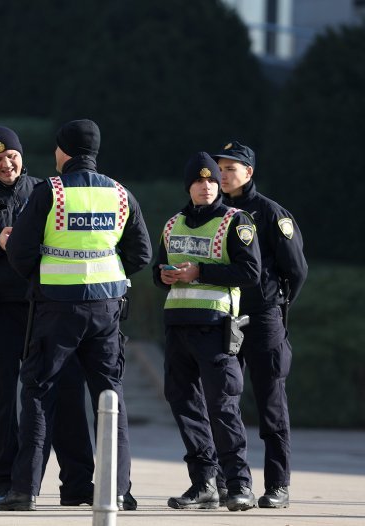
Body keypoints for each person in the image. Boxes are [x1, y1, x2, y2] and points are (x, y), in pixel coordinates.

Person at [0, 119, 152, 511]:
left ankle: (24, 491)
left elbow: (20, 251)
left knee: (38, 393)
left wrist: (43, 276)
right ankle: (117, 490)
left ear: (63, 151)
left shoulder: (50, 192)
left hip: (56, 309)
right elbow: (141, 255)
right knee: (110, 396)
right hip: (107, 310)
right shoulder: (120, 194)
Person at [0, 125, 96, 509]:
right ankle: (7, 481)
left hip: (44, 308)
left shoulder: (46, 192)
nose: (6, 164)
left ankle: (76, 482)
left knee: (62, 393)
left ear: (22, 156)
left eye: (11, 156)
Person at [153, 152, 261, 512]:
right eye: (199, 181)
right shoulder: (172, 224)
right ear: (189, 186)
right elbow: (157, 271)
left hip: (216, 327)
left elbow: (250, 272)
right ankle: (204, 482)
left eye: (212, 180)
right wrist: (165, 276)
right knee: (184, 405)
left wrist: (200, 272)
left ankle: (239, 484)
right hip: (178, 327)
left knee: (222, 405)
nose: (206, 186)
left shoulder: (236, 221)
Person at [213, 140, 308, 508]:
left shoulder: (270, 213)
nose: (223, 175)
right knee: (223, 401)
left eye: (230, 168)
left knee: (271, 404)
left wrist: (277, 305)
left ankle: (277, 485)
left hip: (263, 316)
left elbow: (295, 270)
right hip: (224, 316)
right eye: (220, 168)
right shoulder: (214, 212)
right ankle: (230, 483)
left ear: (248, 173)